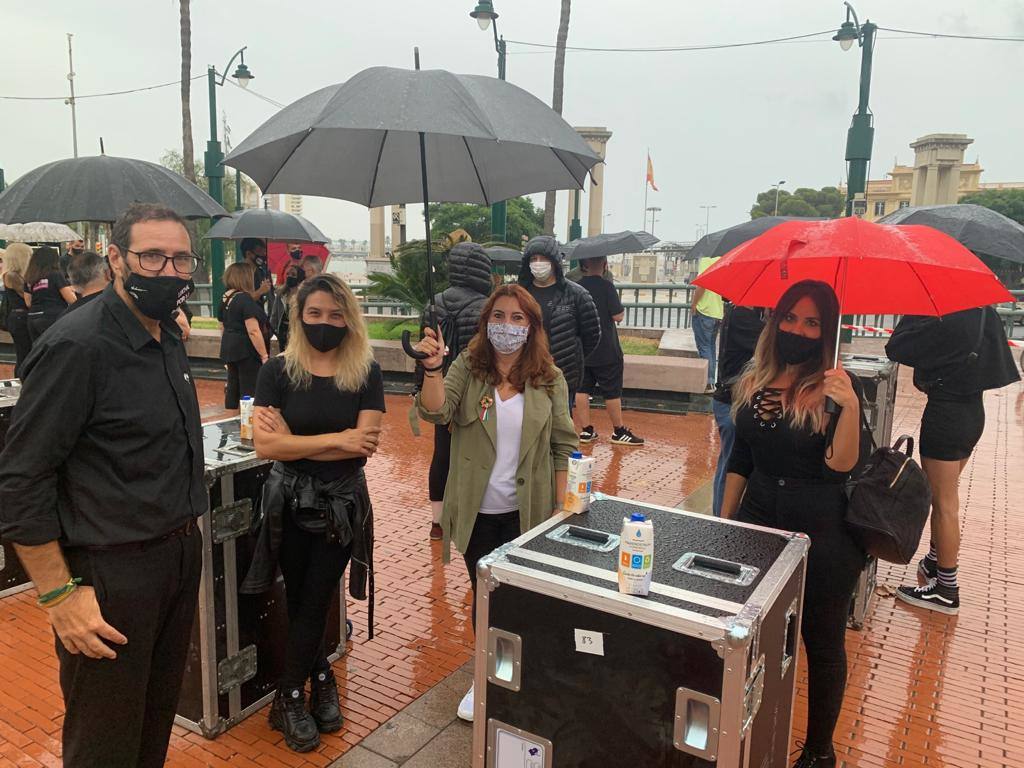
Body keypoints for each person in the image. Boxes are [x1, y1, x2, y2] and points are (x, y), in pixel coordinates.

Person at [0, 203, 205, 767]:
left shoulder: (165, 336)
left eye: (181, 259)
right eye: (152, 257)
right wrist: (59, 594)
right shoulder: (78, 346)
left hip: (176, 557)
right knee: (105, 742)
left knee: (152, 724)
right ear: (116, 258)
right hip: (109, 576)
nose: (169, 271)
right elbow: (20, 479)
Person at [416, 283, 577, 723]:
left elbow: (563, 444)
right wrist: (432, 369)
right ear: (486, 322)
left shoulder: (550, 379)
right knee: (485, 598)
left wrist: (561, 511)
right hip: (476, 512)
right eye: (499, 316)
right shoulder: (468, 368)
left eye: (518, 318)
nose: (507, 326)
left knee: (525, 601)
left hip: (530, 513)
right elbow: (436, 412)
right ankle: (486, 676)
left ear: (532, 327)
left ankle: (527, 674)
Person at [721, 280, 866, 768]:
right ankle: (745, 731)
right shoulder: (754, 379)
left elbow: (842, 465)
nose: (797, 330)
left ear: (826, 332)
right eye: (790, 318)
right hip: (758, 523)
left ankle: (820, 751)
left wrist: (851, 406)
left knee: (821, 644)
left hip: (822, 532)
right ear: (774, 320)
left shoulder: (835, 389)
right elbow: (741, 456)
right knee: (750, 633)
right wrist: (724, 521)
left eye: (811, 323)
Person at [240, 273, 384, 753]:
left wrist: (299, 444)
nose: (326, 322)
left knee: (319, 593)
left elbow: (363, 445)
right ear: (300, 317)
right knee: (302, 598)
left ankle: (287, 696)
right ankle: (322, 674)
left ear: (350, 318)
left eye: (336, 314)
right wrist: (336, 440)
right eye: (315, 313)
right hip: (287, 504)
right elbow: (265, 444)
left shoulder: (365, 371)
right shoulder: (277, 371)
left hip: (341, 507)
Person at [885, 306, 1019, 615]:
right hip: (973, 412)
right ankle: (934, 560)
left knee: (944, 503)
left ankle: (946, 589)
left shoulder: (943, 314)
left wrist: (913, 309)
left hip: (946, 414)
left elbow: (897, 347)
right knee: (948, 494)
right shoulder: (982, 309)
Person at [417, 242, 493, 541]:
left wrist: (421, 386)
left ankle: (437, 522)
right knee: (476, 454)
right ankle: (474, 514)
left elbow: (424, 352)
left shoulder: (433, 304)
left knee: (442, 455)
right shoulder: (486, 307)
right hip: (474, 393)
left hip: (438, 388)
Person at [518, 235, 601, 409]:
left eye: (544, 258)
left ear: (554, 261)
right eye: (533, 259)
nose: (538, 263)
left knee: (560, 429)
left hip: (563, 376)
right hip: (523, 374)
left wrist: (571, 355)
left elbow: (592, 334)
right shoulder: (518, 293)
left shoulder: (578, 295)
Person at [573, 255, 644, 445]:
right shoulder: (607, 286)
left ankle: (586, 430)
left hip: (582, 349)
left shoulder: (574, 288)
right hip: (606, 349)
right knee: (611, 391)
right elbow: (618, 316)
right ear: (605, 265)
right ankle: (619, 431)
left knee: (582, 389)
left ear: (583, 265)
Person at [710, 303, 766, 516]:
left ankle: (721, 519)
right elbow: (771, 343)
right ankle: (721, 522)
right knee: (731, 467)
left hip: (733, 399)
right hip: (731, 402)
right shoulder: (742, 314)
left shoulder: (742, 313)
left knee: (729, 463)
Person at [219, 261, 271, 410]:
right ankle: (247, 421)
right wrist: (264, 355)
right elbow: (253, 330)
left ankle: (230, 417)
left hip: (229, 345)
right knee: (249, 387)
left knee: (233, 385)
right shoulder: (245, 299)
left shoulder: (226, 297)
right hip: (245, 349)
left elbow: (221, 324)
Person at [25, 246, 77, 341]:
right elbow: (71, 299)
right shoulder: (55, 274)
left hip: (32, 317)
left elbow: (28, 302)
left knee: (39, 351)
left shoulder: (29, 277)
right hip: (52, 317)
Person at [690, 256, 725, 392]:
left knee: (704, 347)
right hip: (717, 312)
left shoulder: (706, 261)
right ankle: (712, 380)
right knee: (711, 347)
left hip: (704, 310)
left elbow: (702, 286)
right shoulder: (722, 260)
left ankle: (708, 382)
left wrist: (694, 304)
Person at [1, 242, 33, 375]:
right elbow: (27, 296)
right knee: (24, 354)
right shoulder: (12, 276)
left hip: (19, 317)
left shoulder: (15, 275)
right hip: (20, 318)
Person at [239, 237, 272, 307]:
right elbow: (240, 301)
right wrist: (260, 291)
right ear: (248, 254)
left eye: (265, 251)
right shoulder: (239, 273)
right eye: (260, 251)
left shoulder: (263, 271)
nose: (264, 255)